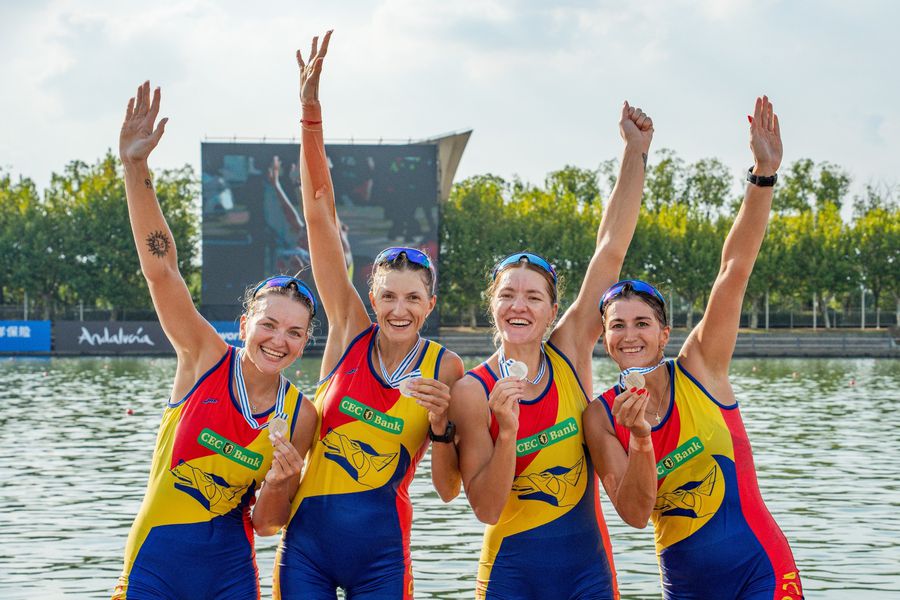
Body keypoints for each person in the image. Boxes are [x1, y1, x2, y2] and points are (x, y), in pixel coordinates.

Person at [250, 31, 465, 599]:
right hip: (307, 553)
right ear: (372, 298)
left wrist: (443, 428)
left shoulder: (448, 371)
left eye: (413, 298)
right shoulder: (348, 328)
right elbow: (320, 214)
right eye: (388, 296)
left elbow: (449, 489)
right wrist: (310, 113)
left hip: (383, 559)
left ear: (430, 305)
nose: (399, 308)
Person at [587, 96, 804, 600]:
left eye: (643, 324)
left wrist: (764, 172)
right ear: (605, 339)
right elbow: (637, 515)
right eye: (617, 327)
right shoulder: (601, 419)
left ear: (664, 335)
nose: (631, 335)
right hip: (686, 587)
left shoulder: (702, 366)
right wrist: (640, 438)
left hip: (763, 572)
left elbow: (734, 270)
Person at [112, 81, 318, 600]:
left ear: (306, 342)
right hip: (155, 564)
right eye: (268, 325)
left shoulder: (301, 415)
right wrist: (135, 170)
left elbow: (269, 525)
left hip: (229, 573)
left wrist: (280, 480)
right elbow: (162, 273)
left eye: (294, 333)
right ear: (245, 323)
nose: (278, 341)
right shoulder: (203, 356)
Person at [451, 100, 655, 599]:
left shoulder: (568, 350)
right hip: (510, 575)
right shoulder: (471, 392)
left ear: (551, 309)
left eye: (533, 297)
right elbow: (487, 509)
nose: (519, 306)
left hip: (586, 571)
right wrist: (509, 432)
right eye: (507, 295)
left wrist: (634, 152)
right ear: (492, 306)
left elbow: (610, 248)